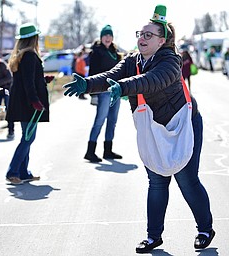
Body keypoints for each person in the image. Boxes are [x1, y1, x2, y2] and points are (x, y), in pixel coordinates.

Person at [62, 5, 215, 253]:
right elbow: (112, 75)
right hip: (152, 127)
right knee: (156, 182)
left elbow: (151, 81)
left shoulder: (171, 61)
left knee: (186, 180)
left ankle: (205, 229)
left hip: (182, 124)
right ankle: (153, 236)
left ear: (162, 40)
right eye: (140, 34)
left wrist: (122, 88)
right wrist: (87, 84)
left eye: (148, 35)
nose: (141, 39)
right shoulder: (132, 60)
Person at [5, 23, 51, 185]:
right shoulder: (30, 55)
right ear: (34, 39)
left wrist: (44, 80)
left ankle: (23, 172)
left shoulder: (21, 55)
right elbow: (28, 83)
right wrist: (35, 101)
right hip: (27, 104)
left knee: (27, 137)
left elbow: (29, 78)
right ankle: (13, 172)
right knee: (28, 138)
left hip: (22, 102)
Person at [84, 24, 123, 162]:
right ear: (101, 37)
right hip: (102, 91)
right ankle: (90, 151)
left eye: (110, 35)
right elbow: (92, 73)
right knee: (100, 120)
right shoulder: (96, 52)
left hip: (115, 92)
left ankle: (108, 150)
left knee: (112, 120)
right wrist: (93, 93)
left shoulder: (115, 52)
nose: (108, 38)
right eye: (105, 35)